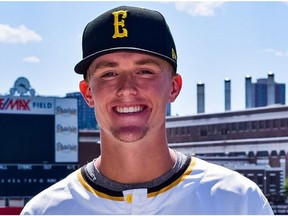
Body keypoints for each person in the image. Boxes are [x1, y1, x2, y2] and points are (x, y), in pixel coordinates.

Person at [21, 5, 273, 215]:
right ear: (88, 92)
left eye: (144, 71)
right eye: (109, 73)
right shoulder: (46, 211)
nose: (126, 88)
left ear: (174, 87)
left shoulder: (238, 201)